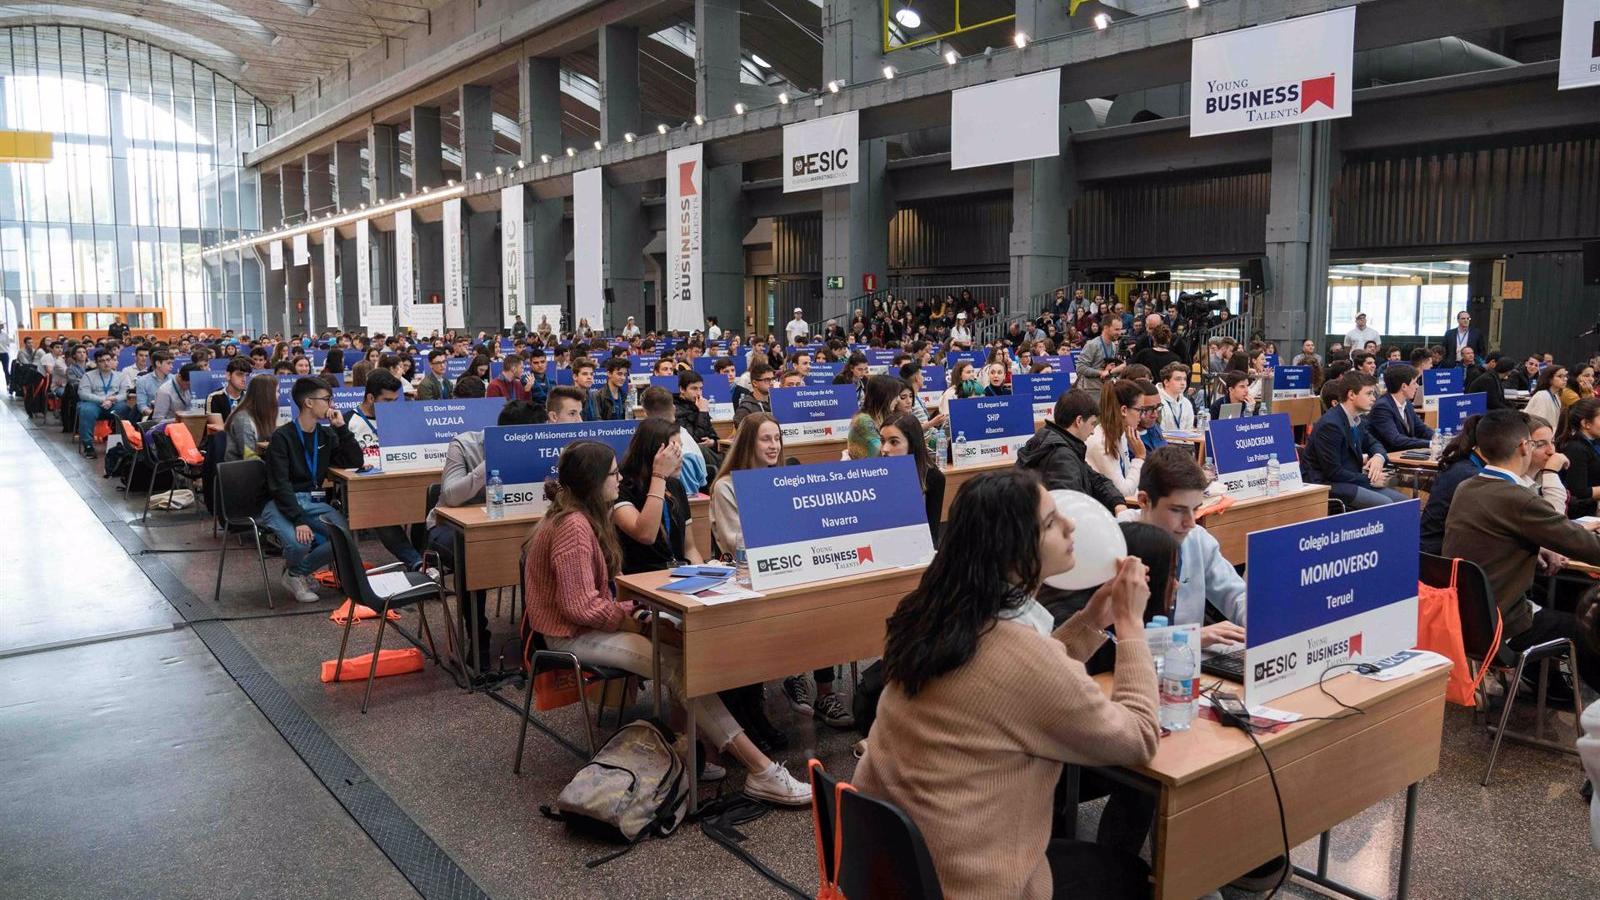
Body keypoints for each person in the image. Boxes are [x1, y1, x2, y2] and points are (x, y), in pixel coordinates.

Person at [854, 468, 1159, 899]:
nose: (1072, 524)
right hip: (979, 881)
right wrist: (1130, 624)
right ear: (1014, 550)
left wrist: (1091, 621)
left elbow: (1010, 685)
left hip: (903, 867)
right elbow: (1140, 737)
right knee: (1135, 877)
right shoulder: (1017, 654)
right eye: (1052, 522)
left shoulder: (935, 616)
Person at [522, 440, 811, 804]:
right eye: (613, 474)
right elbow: (582, 608)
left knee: (682, 647)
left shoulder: (579, 516)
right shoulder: (573, 527)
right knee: (675, 663)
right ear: (595, 481)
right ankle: (761, 770)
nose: (620, 478)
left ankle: (684, 748)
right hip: (568, 638)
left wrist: (636, 617)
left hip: (588, 625)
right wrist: (634, 619)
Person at [708, 414, 856, 731]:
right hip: (748, 576)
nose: (774, 445)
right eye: (766, 439)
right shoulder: (726, 487)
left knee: (825, 596)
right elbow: (737, 543)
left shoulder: (786, 479)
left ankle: (824, 692)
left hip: (791, 565)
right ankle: (791, 675)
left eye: (777, 438)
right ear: (749, 442)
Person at [1443, 409, 1600, 695]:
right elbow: (1585, 545)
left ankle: (1550, 687)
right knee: (1590, 624)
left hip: (1467, 619)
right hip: (1505, 625)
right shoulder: (1519, 499)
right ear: (1524, 446)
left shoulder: (1467, 487)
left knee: (1559, 593)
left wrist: (1538, 546)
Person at [1130, 447, 1247, 646]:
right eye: (1177, 510)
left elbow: (1237, 596)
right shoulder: (1118, 542)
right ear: (1144, 501)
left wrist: (1262, 623)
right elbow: (1114, 642)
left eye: (1195, 509)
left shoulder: (1197, 539)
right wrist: (1192, 637)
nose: (1191, 522)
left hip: (1186, 665)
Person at [259, 378, 362, 603]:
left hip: (312, 501)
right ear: (308, 403)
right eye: (326, 399)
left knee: (342, 539)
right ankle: (297, 571)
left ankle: (295, 573)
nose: (331, 404)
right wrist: (298, 520)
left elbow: (353, 460)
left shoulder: (325, 435)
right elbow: (279, 484)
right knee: (299, 543)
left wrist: (342, 429)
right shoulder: (282, 436)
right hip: (281, 502)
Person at [1303, 372, 1408, 509]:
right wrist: (1370, 479)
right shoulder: (1331, 425)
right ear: (1351, 395)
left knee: (1404, 502)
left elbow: (1374, 444)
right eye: (1369, 394)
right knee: (1385, 505)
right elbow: (1333, 472)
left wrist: (1378, 457)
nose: (1374, 398)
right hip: (1327, 484)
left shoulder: (1359, 420)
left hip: (1350, 480)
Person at [1017, 389, 1129, 515]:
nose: (1093, 431)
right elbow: (1073, 508)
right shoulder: (1062, 455)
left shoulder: (1058, 443)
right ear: (1079, 421)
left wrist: (1117, 501)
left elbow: (1095, 479)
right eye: (1092, 424)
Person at [879, 412, 945, 537]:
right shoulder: (873, 474)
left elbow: (932, 534)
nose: (885, 449)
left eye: (894, 442)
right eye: (882, 441)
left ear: (912, 444)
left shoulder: (932, 477)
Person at [1086, 380, 1146, 497]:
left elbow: (1129, 481)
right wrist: (1139, 457)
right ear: (1124, 410)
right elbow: (1122, 493)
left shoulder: (1121, 434)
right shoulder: (1100, 443)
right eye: (1140, 410)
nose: (1142, 416)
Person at [75, 349, 133, 458]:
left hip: (114, 404)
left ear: (112, 360)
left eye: (108, 360)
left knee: (125, 408)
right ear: (96, 363)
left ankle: (124, 443)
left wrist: (112, 399)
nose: (106, 363)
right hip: (94, 404)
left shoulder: (121, 376)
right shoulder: (88, 376)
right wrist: (103, 400)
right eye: (102, 361)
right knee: (86, 410)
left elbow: (125, 394)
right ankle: (88, 446)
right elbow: (83, 394)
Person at [1368, 364, 1434, 452]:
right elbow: (1395, 440)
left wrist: (1438, 438)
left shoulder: (1407, 404)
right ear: (1404, 387)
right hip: (1389, 458)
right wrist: (1430, 444)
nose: (1417, 386)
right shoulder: (1382, 407)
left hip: (1405, 454)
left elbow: (1421, 429)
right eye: (1414, 383)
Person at [846, 374, 904, 459]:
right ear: (883, 396)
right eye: (895, 395)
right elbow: (883, 452)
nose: (898, 399)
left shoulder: (883, 417)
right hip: (867, 469)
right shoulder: (863, 420)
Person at [1562, 398, 1600, 519]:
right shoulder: (1576, 449)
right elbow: (1579, 492)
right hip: (1580, 516)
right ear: (1586, 424)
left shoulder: (1594, 442)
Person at [674, 370, 720, 469]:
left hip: (706, 453)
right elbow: (694, 440)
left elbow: (712, 434)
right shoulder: (676, 409)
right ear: (682, 389)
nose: (699, 393)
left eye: (700, 389)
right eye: (694, 389)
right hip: (689, 456)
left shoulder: (698, 406)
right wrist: (703, 412)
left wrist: (712, 442)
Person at [1076, 316, 1123, 397]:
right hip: (1091, 390)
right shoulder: (1092, 344)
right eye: (1116, 329)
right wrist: (1101, 372)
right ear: (1106, 328)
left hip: (1106, 389)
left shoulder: (1113, 345)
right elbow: (1080, 367)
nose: (1119, 333)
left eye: (1120, 329)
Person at [1524, 363, 1567, 434]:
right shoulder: (1542, 395)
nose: (1565, 379)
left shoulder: (1555, 396)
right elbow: (1539, 424)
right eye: (1560, 376)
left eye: (1565, 376)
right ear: (1549, 379)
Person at [1155, 362, 1194, 432]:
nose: (1183, 383)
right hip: (1164, 442)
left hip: (1186, 442)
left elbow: (1189, 430)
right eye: (1178, 379)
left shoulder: (1186, 403)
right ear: (1166, 382)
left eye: (1184, 379)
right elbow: (1159, 432)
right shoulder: (1157, 402)